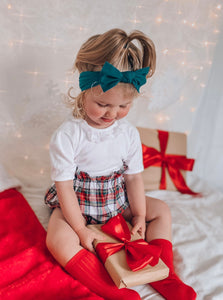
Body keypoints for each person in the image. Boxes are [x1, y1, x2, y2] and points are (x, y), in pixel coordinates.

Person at [45, 28, 196, 300]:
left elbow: (134, 178)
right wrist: (79, 229)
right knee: (56, 240)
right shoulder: (69, 134)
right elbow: (64, 186)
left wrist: (138, 214)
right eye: (102, 104)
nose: (111, 114)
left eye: (122, 106)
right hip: (77, 203)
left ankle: (164, 274)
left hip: (117, 200)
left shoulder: (127, 133)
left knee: (160, 209)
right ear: (84, 90)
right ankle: (109, 287)